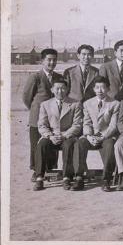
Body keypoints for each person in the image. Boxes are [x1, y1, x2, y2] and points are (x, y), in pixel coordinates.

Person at [33, 77, 83, 191]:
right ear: (52, 89)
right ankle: (39, 178)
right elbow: (42, 125)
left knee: (68, 146)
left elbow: (77, 125)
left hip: (68, 135)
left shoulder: (75, 104)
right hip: (52, 135)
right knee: (41, 145)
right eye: (57, 89)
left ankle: (66, 177)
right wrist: (50, 136)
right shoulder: (45, 104)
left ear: (67, 90)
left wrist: (64, 135)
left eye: (63, 89)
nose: (60, 91)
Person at [72, 76, 120, 192]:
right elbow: (87, 123)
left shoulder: (115, 103)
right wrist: (88, 136)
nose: (100, 90)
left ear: (108, 89)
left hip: (106, 136)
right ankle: (79, 177)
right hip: (91, 136)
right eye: (97, 87)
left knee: (110, 146)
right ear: (93, 89)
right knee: (79, 144)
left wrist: (103, 136)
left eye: (103, 87)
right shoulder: (88, 103)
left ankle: (106, 179)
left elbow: (113, 126)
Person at [22, 48, 62, 180]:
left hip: (53, 119)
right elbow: (27, 98)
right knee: (36, 146)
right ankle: (36, 171)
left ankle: (50, 170)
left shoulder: (58, 77)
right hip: (37, 119)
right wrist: (36, 110)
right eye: (49, 60)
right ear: (42, 61)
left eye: (54, 60)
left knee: (52, 145)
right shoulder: (35, 77)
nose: (52, 62)